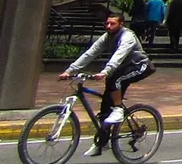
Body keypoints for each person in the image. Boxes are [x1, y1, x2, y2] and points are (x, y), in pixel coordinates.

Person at [63, 11, 154, 156]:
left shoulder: (127, 36)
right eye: (107, 23)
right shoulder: (107, 37)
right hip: (122, 68)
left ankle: (118, 108)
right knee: (105, 107)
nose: (108, 26)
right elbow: (91, 53)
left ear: (121, 24)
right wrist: (69, 70)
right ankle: (102, 143)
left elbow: (119, 56)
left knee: (114, 79)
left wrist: (106, 71)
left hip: (139, 66)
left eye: (112, 24)